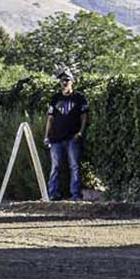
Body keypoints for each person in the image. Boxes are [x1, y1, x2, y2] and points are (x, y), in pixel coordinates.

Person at [44, 71, 89, 201]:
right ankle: (53, 194)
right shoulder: (55, 98)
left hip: (72, 137)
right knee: (55, 167)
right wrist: (46, 136)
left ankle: (75, 195)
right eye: (62, 80)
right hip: (56, 138)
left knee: (74, 166)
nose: (64, 83)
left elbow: (84, 116)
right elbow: (50, 119)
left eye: (67, 80)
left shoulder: (79, 98)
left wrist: (80, 132)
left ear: (72, 82)